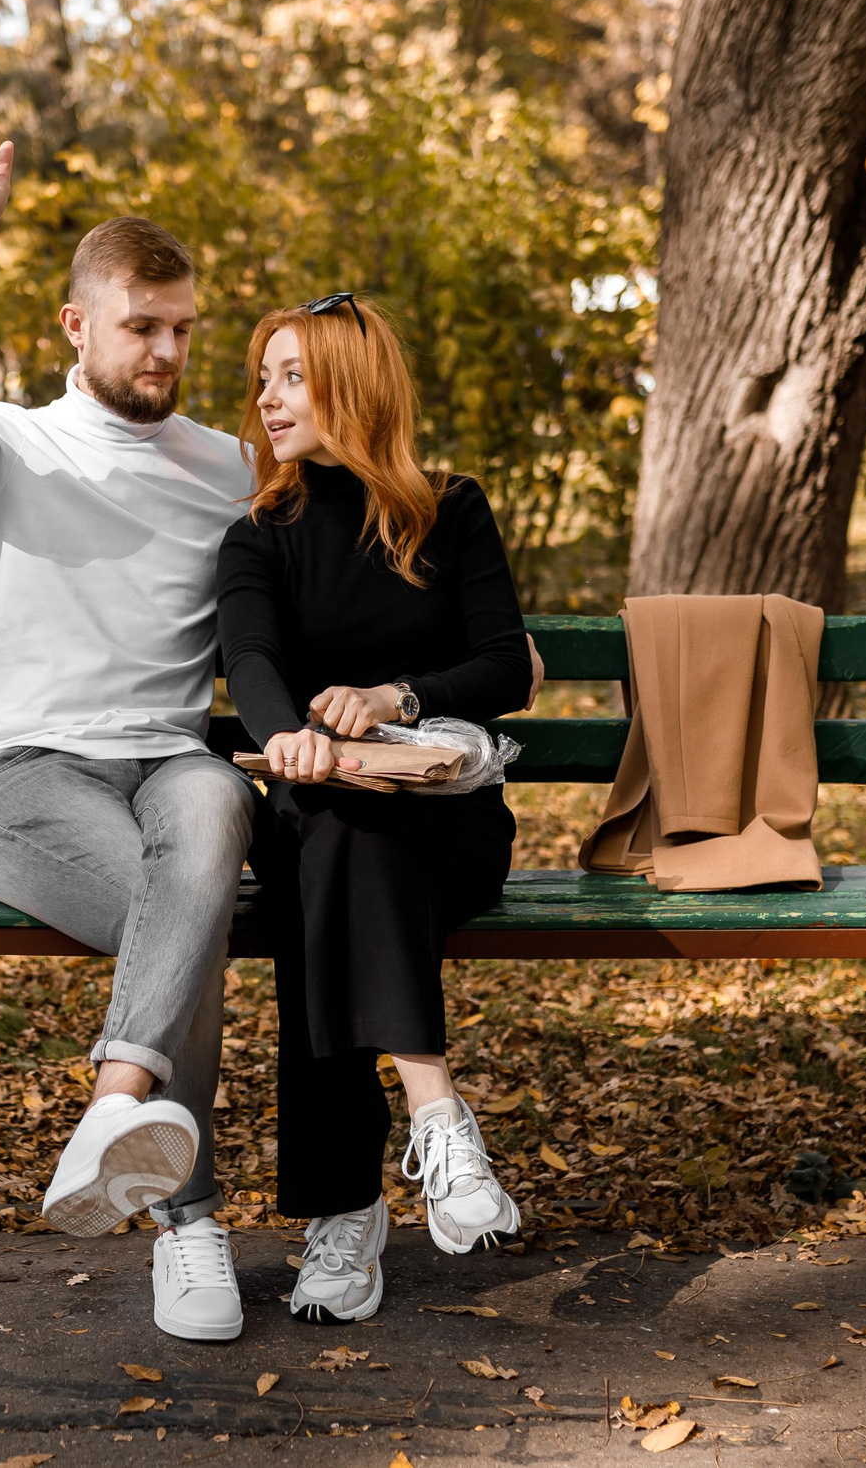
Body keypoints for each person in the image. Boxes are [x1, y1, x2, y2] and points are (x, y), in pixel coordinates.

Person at [0, 100, 257, 1342]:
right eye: (141, 326)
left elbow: (325, 578)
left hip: (169, 767)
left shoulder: (228, 469)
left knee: (217, 800)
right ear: (76, 326)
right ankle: (190, 1223)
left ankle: (111, 1112)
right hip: (28, 777)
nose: (165, 351)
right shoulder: (8, 448)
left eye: (182, 328)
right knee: (185, 916)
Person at [216, 293, 533, 1326]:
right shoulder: (260, 533)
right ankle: (437, 1117)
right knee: (334, 833)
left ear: (352, 386)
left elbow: (504, 664)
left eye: (292, 376)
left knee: (329, 877)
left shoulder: (451, 508)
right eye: (263, 378)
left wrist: (398, 697)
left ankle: (344, 1209)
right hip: (319, 806)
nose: (267, 398)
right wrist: (291, 738)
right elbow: (249, 657)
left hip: (449, 824)